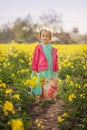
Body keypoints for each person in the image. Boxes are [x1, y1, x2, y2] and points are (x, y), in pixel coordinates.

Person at [31, 29, 58, 100]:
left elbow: (55, 59)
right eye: (43, 36)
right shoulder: (39, 47)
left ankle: (49, 95)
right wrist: (34, 68)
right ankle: (41, 97)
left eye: (47, 36)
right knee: (41, 83)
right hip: (42, 68)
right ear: (40, 37)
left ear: (50, 38)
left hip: (50, 68)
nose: (45, 38)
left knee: (55, 81)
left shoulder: (52, 48)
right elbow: (35, 58)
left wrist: (55, 68)